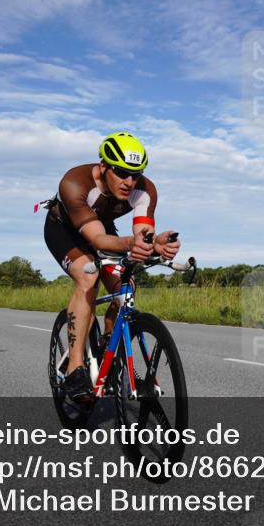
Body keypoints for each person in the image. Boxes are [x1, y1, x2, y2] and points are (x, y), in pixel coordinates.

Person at [43, 132, 181, 401]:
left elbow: (142, 233)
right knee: (88, 278)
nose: (129, 182)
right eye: (121, 172)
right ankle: (75, 368)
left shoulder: (145, 190)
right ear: (104, 166)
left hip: (103, 228)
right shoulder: (74, 183)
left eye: (136, 174)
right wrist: (132, 243)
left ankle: (109, 345)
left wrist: (155, 244)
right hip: (65, 230)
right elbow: (96, 239)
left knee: (125, 289)